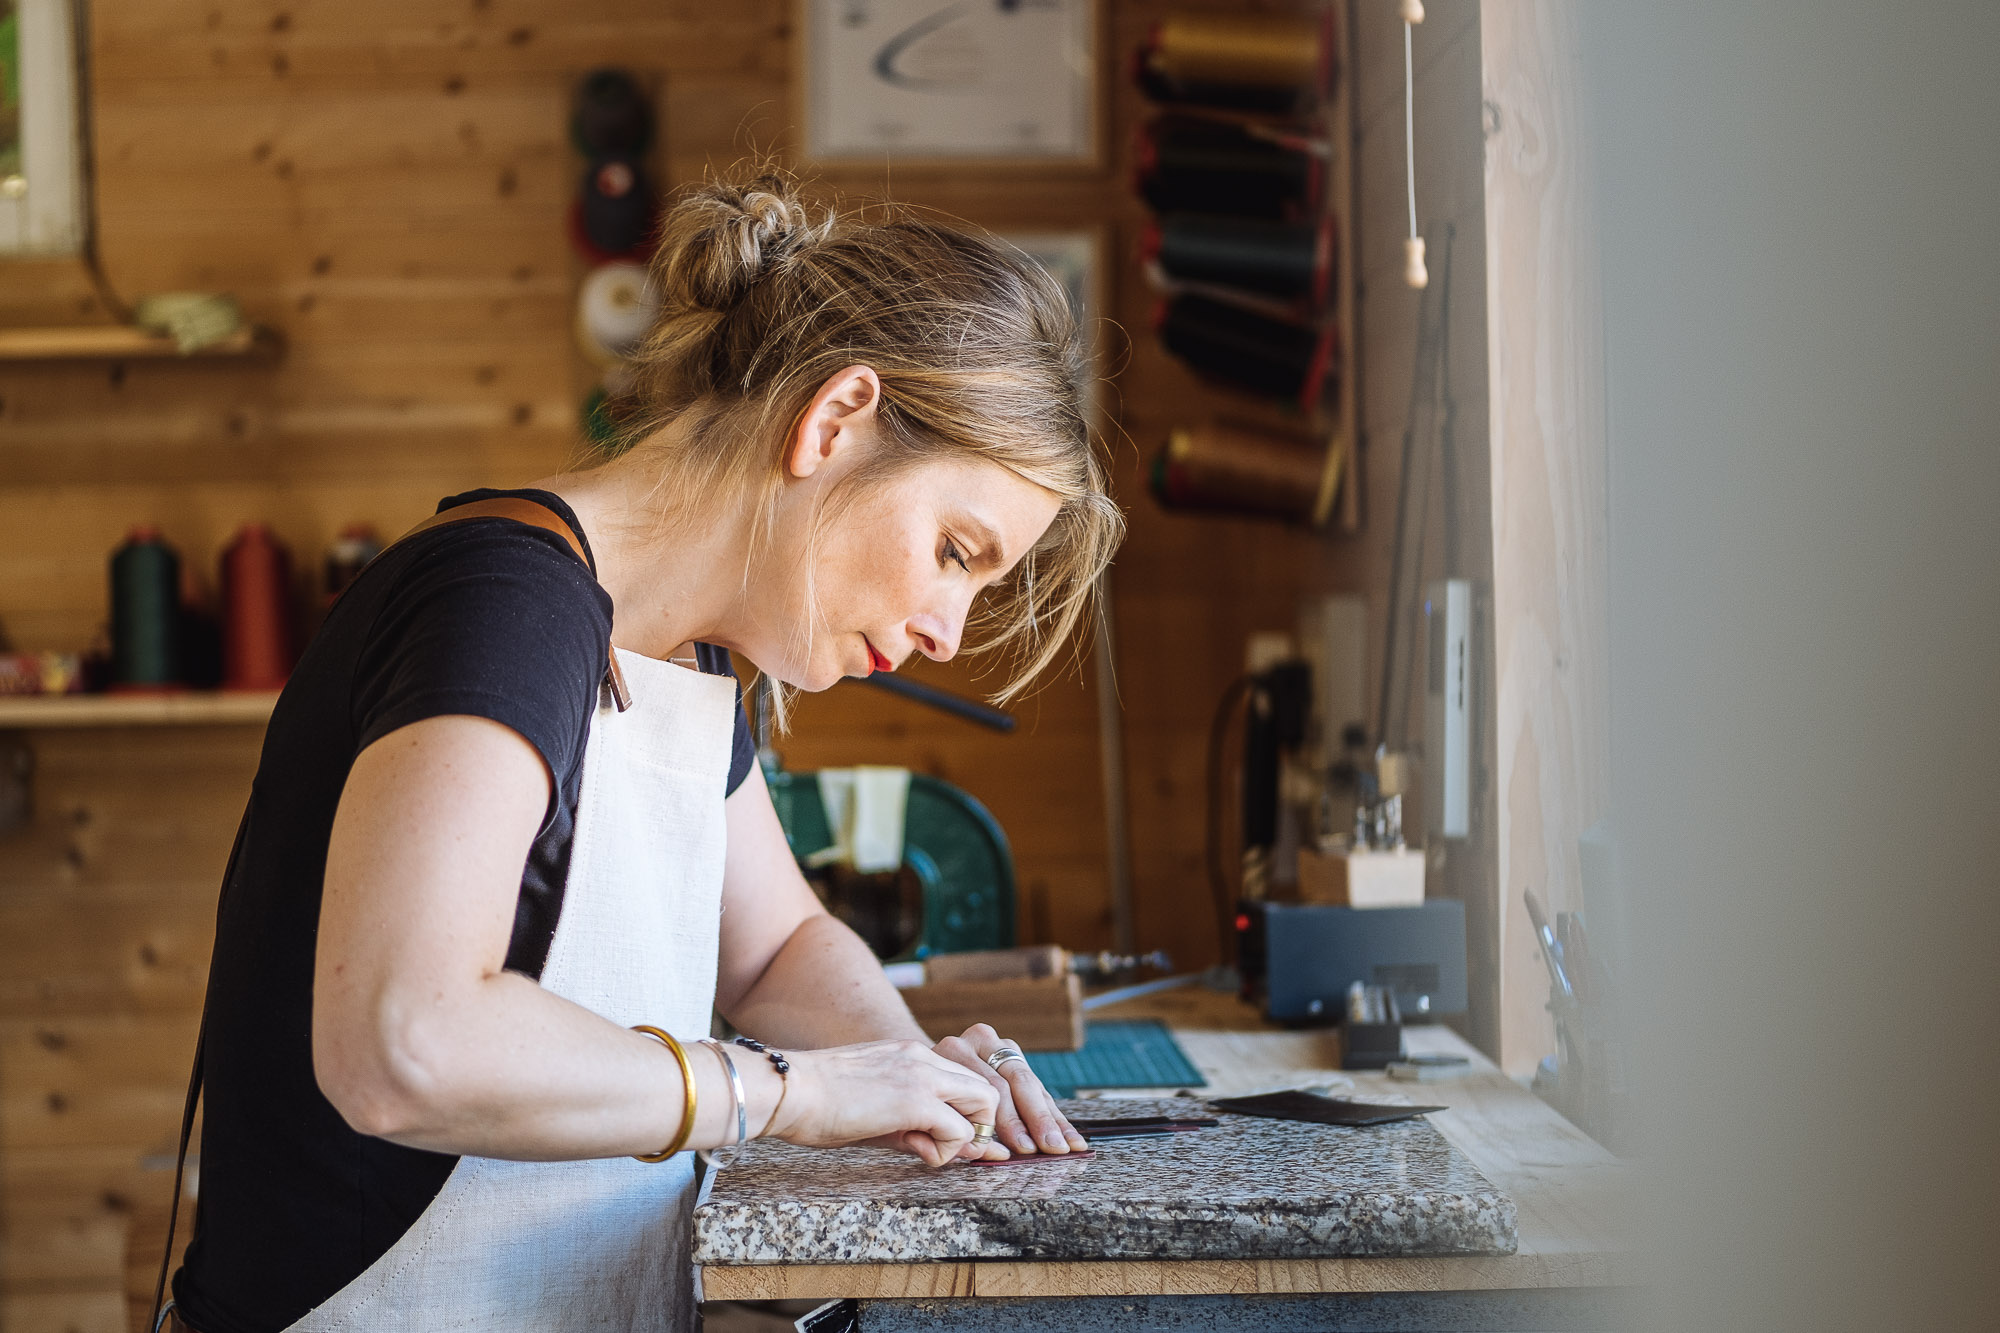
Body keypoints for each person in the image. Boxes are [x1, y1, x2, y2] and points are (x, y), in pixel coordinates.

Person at [164, 169, 1124, 1333]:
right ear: (834, 421)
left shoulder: (687, 654)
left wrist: (914, 1074)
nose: (944, 629)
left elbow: (775, 949)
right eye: (956, 549)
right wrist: (796, 1091)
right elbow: (402, 1040)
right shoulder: (504, 602)